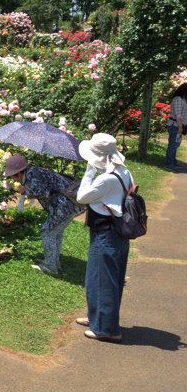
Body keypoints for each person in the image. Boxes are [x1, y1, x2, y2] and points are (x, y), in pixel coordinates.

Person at [76, 133, 134, 342]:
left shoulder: (106, 179)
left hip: (106, 232)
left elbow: (82, 197)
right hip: (118, 232)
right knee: (107, 278)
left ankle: (107, 329)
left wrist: (89, 171)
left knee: (101, 279)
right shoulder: (123, 172)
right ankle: (98, 319)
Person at [4, 155, 84, 275]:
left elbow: (43, 193)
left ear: (18, 173)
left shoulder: (32, 175)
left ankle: (50, 266)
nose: (10, 177)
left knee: (47, 232)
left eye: (11, 174)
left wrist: (25, 191)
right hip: (70, 205)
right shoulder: (33, 171)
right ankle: (53, 261)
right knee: (56, 232)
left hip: (63, 205)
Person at [165, 83, 187, 171]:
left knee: (176, 144)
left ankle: (173, 161)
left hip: (178, 126)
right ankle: (169, 163)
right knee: (172, 145)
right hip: (175, 126)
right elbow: (178, 115)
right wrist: (180, 127)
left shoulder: (182, 99)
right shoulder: (178, 99)